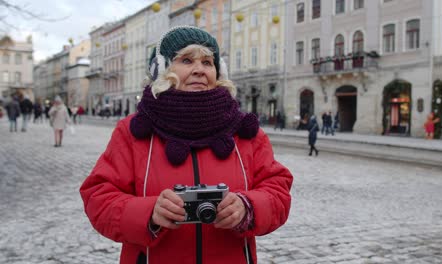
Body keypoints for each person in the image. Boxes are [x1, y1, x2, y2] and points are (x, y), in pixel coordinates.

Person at [79, 26, 293, 264]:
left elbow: (278, 191)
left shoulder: (245, 132)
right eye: (187, 60)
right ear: (162, 68)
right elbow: (98, 198)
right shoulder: (131, 132)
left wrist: (248, 207)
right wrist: (149, 213)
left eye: (208, 62)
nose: (199, 70)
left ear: (219, 71)